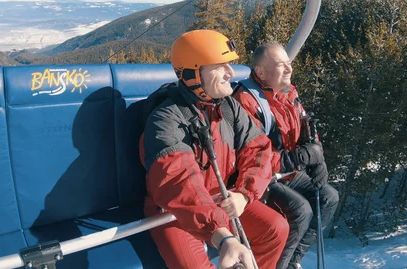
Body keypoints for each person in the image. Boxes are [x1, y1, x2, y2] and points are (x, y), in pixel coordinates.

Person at [141, 30, 289, 269]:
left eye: (228, 64)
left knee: (275, 229)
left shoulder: (229, 108)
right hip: (176, 211)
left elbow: (259, 149)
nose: (230, 73)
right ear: (192, 74)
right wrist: (224, 236)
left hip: (219, 198)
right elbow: (178, 182)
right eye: (219, 66)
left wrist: (243, 194)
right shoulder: (167, 120)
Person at [233, 42, 339, 269]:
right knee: (301, 211)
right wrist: (298, 158)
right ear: (261, 72)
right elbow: (252, 155)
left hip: (287, 174)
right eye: (282, 65)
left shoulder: (290, 93)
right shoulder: (248, 101)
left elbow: (306, 128)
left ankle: (292, 261)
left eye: (288, 64)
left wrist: (316, 155)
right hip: (262, 178)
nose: (289, 70)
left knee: (329, 197)